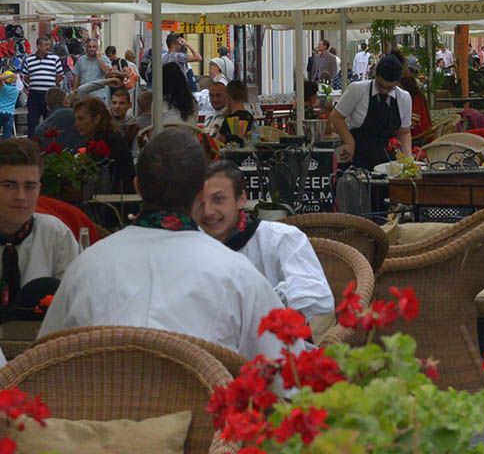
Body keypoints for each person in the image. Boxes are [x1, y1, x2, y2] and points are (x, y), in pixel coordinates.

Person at [39, 128, 292, 362]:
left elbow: (45, 362)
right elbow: (287, 372)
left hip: (99, 407)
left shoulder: (84, 268)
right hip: (205, 408)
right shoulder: (238, 275)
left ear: (137, 187)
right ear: (202, 194)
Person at [193, 161, 334, 319]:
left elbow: (319, 297)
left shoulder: (279, 238)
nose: (208, 212)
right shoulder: (188, 247)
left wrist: (263, 304)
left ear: (241, 199)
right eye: (200, 202)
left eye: (218, 199)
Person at [0, 138, 79, 313]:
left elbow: (74, 299)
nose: (20, 196)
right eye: (9, 186)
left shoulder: (55, 233)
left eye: (29, 187)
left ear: (39, 189)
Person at [331, 54, 412, 170]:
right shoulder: (356, 90)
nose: (384, 91)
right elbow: (336, 117)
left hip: (387, 160)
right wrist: (349, 141)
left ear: (397, 83)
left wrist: (408, 158)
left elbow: (404, 132)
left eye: (390, 88)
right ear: (375, 75)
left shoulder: (404, 98)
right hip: (356, 155)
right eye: (381, 86)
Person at [73, 97, 135, 193]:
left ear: (96, 119)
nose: (76, 124)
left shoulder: (110, 141)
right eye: (76, 119)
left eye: (81, 119)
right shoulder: (95, 139)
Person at [22, 36, 64, 136]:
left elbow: (59, 76)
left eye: (49, 44)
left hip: (49, 96)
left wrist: (52, 86)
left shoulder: (55, 59)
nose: (48, 47)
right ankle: (31, 146)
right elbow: (26, 77)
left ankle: (48, 146)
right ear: (38, 46)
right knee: (32, 122)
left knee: (50, 121)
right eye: (45, 45)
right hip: (34, 95)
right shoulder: (29, 59)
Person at [71, 38, 111, 104]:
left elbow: (107, 72)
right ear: (86, 48)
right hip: (84, 96)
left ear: (97, 48)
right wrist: (75, 91)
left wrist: (99, 58)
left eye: (94, 47)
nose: (92, 49)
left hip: (99, 96)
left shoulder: (104, 58)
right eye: (89, 47)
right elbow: (76, 76)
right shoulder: (81, 60)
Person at [216, 80, 254, 147]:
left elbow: (218, 141)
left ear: (228, 98)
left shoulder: (230, 119)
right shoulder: (250, 117)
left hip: (231, 154)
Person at [399, 75, 431, 141]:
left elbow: (414, 120)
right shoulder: (417, 97)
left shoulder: (417, 99)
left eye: (400, 87)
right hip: (418, 131)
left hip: (420, 133)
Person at [0, 70, 19, 139]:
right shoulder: (16, 90)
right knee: (7, 136)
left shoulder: (3, 88)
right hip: (10, 114)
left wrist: (8, 75)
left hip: (0, 111)